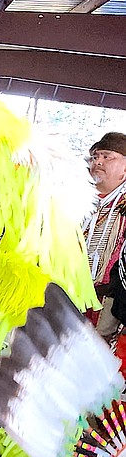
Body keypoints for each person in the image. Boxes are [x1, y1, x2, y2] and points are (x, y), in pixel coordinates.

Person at [83, 132, 126, 339]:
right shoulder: (73, 200)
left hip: (110, 306)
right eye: (95, 157)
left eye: (107, 156)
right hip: (66, 298)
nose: (97, 162)